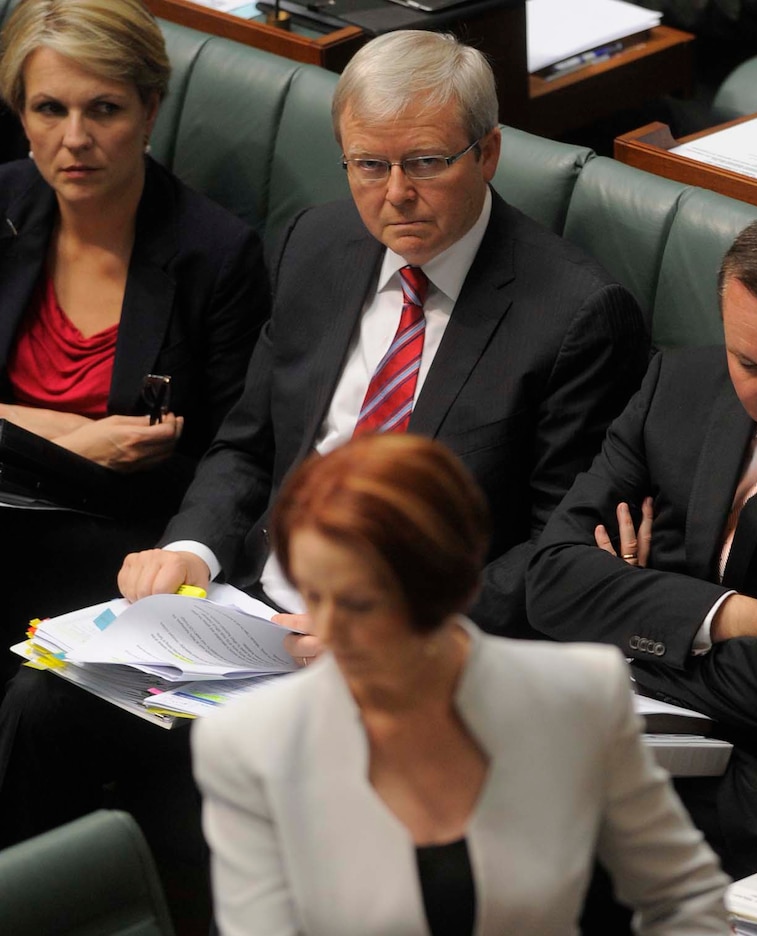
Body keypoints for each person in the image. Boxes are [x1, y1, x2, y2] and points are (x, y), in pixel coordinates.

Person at [192, 433, 729, 936]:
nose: (322, 633)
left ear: (449, 591)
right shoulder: (249, 743)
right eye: (310, 594)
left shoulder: (577, 700)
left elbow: (685, 903)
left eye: (357, 604)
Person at [116, 27, 649, 642]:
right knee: (43, 700)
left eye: (426, 162)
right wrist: (192, 548)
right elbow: (250, 444)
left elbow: (557, 545)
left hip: (411, 645)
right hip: (255, 609)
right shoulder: (315, 244)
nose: (396, 194)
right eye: (369, 165)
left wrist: (398, 629)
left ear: (488, 153)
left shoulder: (577, 315)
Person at [526, 209, 757, 882]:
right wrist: (728, 616)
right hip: (624, 724)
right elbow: (553, 580)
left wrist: (626, 610)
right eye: (748, 362)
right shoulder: (676, 388)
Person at [0, 0, 270, 677]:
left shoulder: (215, 253)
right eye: (49, 109)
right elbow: (110, 436)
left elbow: (219, 444)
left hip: (116, 537)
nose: (75, 138)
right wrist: (81, 437)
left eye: (104, 109)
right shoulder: (2, 206)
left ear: (150, 111)